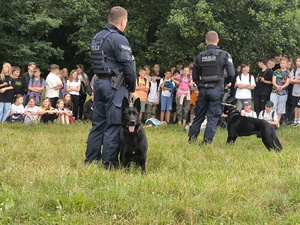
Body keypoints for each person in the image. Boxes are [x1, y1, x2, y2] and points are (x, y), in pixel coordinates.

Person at [85, 6, 136, 168]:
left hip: (99, 83)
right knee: (113, 124)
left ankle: (91, 159)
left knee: (98, 123)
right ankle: (109, 163)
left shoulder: (97, 37)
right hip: (115, 85)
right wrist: (132, 86)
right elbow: (128, 66)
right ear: (123, 21)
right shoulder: (118, 38)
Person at [188, 30, 235, 144]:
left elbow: (194, 76)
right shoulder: (224, 55)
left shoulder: (200, 56)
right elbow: (232, 74)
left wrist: (200, 85)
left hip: (203, 89)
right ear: (218, 40)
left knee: (198, 117)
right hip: (216, 89)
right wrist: (225, 83)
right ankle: (206, 142)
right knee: (213, 117)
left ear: (206, 41)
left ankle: (191, 140)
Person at [269, 57, 290, 124]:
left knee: (281, 108)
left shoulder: (288, 72)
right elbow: (273, 80)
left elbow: (288, 82)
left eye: (284, 63)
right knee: (273, 106)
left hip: (283, 92)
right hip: (275, 91)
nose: (282, 64)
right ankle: (272, 120)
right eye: (281, 63)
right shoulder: (276, 71)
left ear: (286, 64)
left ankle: (277, 122)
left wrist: (282, 87)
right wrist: (277, 86)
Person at [289, 56, 300, 126]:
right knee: (295, 106)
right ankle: (295, 120)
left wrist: (295, 80)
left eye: (299, 61)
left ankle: (299, 120)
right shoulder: (294, 70)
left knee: (299, 106)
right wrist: (297, 79)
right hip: (294, 91)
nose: (297, 62)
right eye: (296, 61)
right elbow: (290, 81)